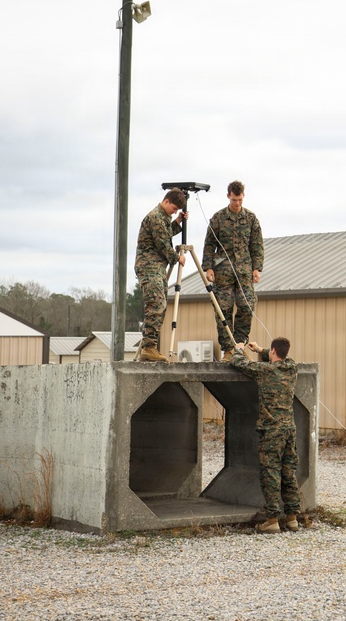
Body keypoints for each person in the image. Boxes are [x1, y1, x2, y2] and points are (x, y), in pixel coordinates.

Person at [230, 337, 301, 533]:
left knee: (271, 474)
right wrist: (260, 350)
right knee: (288, 473)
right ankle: (292, 518)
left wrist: (239, 349)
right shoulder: (292, 368)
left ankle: (272, 520)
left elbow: (238, 363)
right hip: (289, 430)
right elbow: (281, 359)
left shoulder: (265, 371)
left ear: (273, 351)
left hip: (271, 431)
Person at [202, 181, 264, 361]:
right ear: (228, 196)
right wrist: (208, 267)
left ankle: (239, 346)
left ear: (243, 196)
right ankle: (228, 348)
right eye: (234, 200)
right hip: (223, 271)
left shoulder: (251, 219)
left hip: (244, 271)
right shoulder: (218, 218)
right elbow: (209, 244)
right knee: (223, 309)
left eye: (240, 200)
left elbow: (257, 245)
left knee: (247, 306)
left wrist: (257, 268)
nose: (237, 203)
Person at [134, 188, 187, 362]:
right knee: (156, 304)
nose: (175, 212)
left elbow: (165, 233)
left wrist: (177, 222)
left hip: (156, 267)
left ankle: (150, 346)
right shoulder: (156, 217)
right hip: (149, 266)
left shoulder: (162, 217)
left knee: (161, 306)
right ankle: (149, 348)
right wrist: (177, 258)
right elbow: (163, 243)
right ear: (166, 201)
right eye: (174, 208)